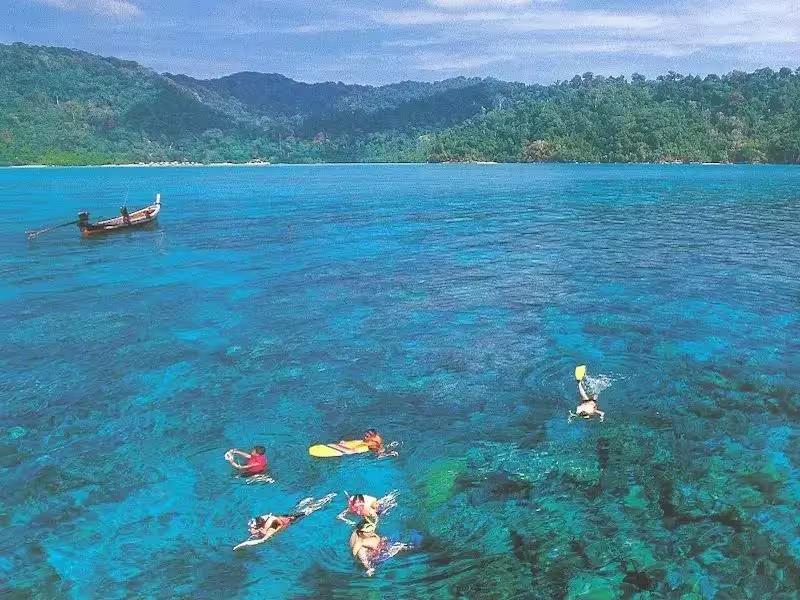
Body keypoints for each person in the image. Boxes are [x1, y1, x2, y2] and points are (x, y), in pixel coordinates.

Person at [233, 493, 336, 550]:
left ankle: (327, 499)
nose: (249, 530)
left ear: (259, 527)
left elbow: (263, 540)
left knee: (309, 510)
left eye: (251, 528)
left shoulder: (273, 526)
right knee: (298, 510)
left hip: (291, 520)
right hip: (284, 517)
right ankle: (307, 502)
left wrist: (243, 544)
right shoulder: (262, 519)